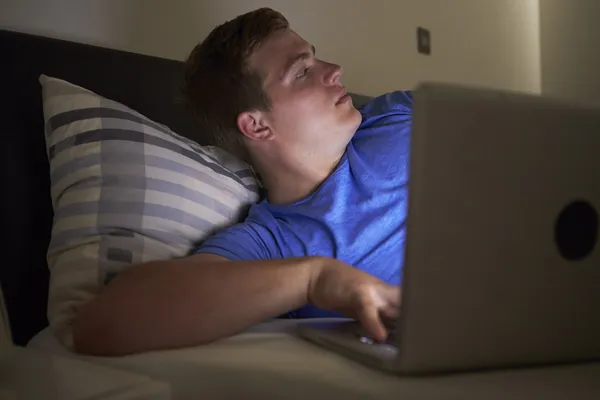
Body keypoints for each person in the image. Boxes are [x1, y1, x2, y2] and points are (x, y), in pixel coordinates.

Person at [72, 7, 413, 356]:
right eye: (303, 71)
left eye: (316, 58)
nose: (334, 70)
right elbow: (100, 325)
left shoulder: (398, 114)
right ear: (257, 126)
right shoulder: (270, 245)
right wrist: (313, 280)